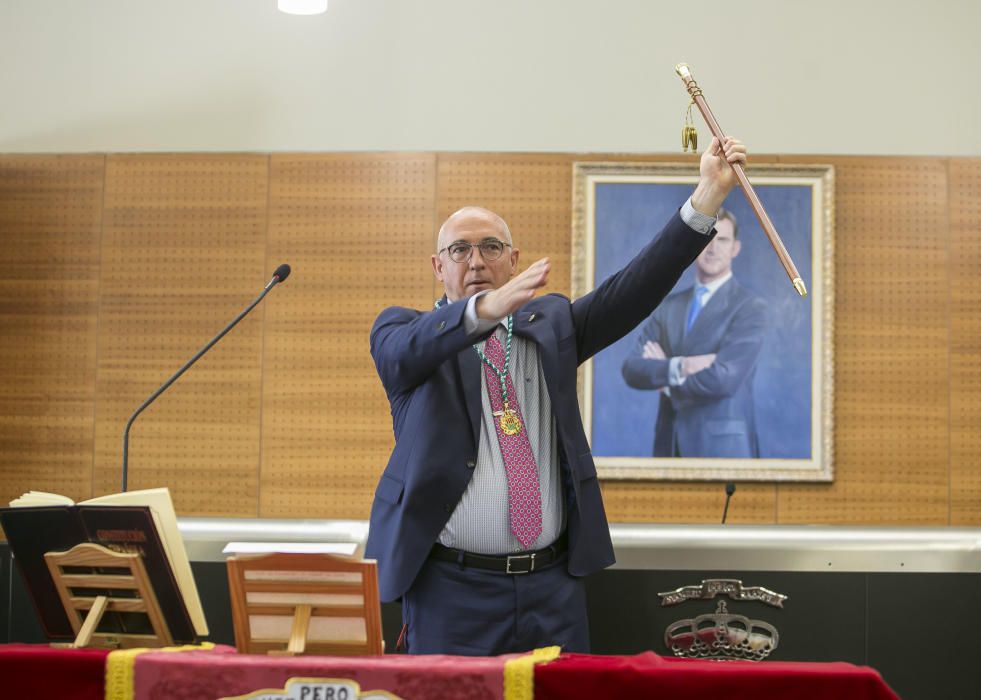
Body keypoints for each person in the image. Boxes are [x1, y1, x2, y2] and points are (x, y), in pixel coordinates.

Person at [366, 137, 747, 656]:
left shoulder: (551, 329)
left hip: (551, 589)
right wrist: (483, 310)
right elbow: (402, 352)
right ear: (438, 266)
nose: (476, 260)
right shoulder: (404, 333)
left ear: (514, 258)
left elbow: (635, 287)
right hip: (450, 592)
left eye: (491, 248)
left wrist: (707, 194)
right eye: (460, 250)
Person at [621, 208, 768, 458]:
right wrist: (681, 366)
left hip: (723, 451)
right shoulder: (669, 306)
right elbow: (632, 368)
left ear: (735, 248)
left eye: (722, 240)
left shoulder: (750, 308)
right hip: (668, 446)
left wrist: (665, 382)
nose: (713, 249)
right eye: (707, 239)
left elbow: (723, 379)